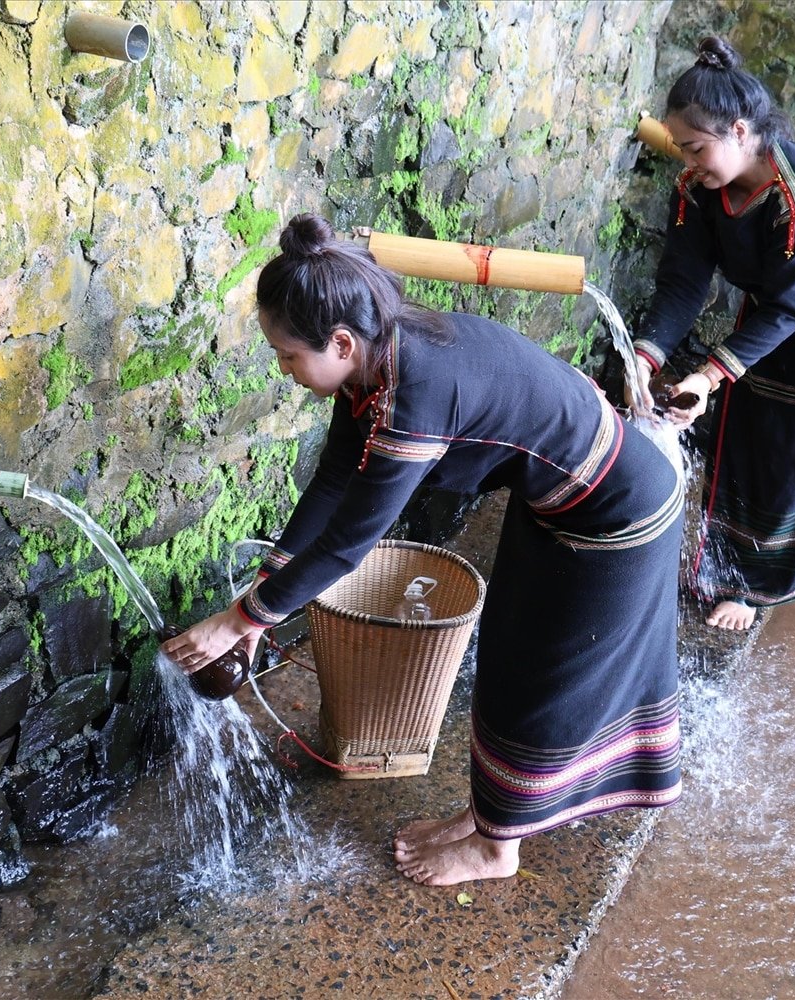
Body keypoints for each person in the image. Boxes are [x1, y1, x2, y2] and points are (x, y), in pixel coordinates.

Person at [162, 213, 685, 886]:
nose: (286, 369)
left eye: (289, 356)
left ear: (341, 342)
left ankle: (500, 850)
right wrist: (262, 595)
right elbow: (331, 486)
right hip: (559, 505)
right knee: (506, 656)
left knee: (546, 682)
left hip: (619, 519)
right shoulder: (378, 363)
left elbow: (350, 542)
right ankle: (488, 816)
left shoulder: (415, 394)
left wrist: (245, 618)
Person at [633, 35, 795, 632]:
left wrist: (706, 376)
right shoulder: (700, 191)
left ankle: (761, 587)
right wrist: (645, 358)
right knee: (743, 428)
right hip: (780, 305)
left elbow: (786, 310)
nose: (688, 162)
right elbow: (681, 285)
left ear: (741, 132)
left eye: (697, 148)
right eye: (681, 149)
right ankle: (721, 565)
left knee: (794, 447)